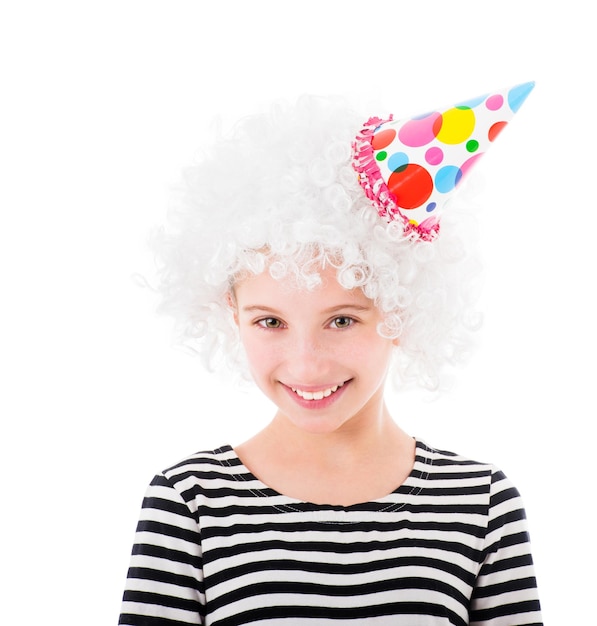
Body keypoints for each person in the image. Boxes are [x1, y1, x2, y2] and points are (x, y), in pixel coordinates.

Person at [119, 85, 542, 625]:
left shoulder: (481, 503)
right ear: (232, 311)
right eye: (270, 321)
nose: (306, 363)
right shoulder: (190, 503)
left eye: (341, 319)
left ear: (400, 308)